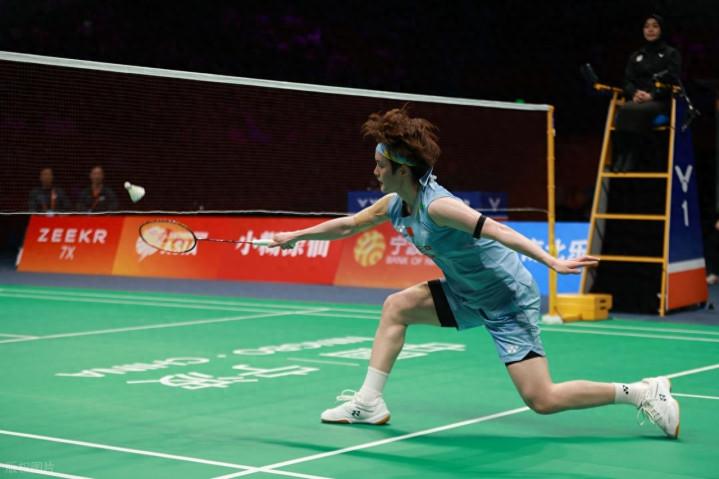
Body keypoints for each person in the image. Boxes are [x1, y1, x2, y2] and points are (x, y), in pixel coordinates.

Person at [270, 106, 680, 438]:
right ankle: (368, 402)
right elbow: (349, 225)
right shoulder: (396, 204)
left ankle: (642, 392)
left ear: (402, 169)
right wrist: (296, 236)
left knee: (542, 399)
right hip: (464, 292)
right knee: (397, 307)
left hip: (506, 299)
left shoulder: (439, 207)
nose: (374, 172)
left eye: (380, 165)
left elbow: (499, 230)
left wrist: (551, 261)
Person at [612, 14, 681, 172]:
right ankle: (621, 154)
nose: (650, 30)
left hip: (660, 101)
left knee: (635, 110)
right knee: (625, 108)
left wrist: (652, 95)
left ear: (661, 30)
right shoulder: (636, 55)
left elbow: (673, 80)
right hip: (638, 99)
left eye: (655, 26)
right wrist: (634, 93)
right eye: (647, 26)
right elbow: (627, 81)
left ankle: (632, 155)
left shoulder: (671, 53)